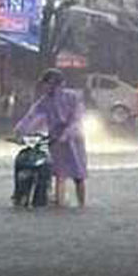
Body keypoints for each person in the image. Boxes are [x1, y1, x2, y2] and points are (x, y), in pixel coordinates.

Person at [13, 69, 87, 207]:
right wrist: (19, 131)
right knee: (61, 175)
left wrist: (67, 134)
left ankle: (81, 204)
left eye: (47, 84)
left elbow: (77, 118)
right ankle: (60, 206)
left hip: (74, 140)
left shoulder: (72, 97)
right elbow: (32, 116)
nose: (44, 87)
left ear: (55, 84)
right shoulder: (45, 100)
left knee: (78, 176)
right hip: (56, 140)